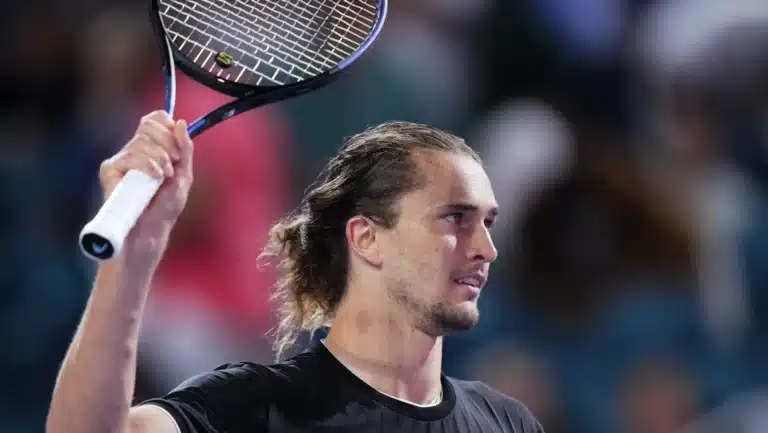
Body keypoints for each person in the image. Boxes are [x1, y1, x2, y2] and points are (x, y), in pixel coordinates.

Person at [46, 111, 545, 433]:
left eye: (488, 222)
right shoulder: (255, 408)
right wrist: (135, 255)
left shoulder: (507, 423)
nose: (487, 249)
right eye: (455, 218)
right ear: (366, 238)